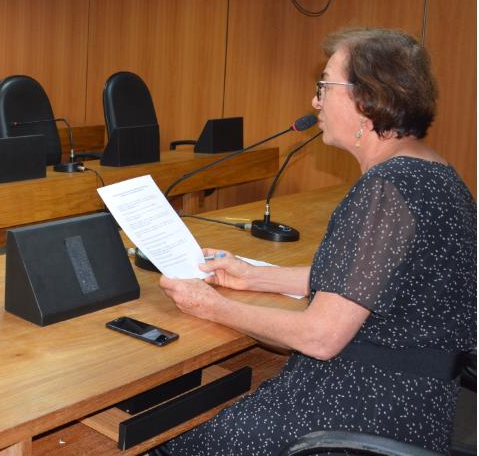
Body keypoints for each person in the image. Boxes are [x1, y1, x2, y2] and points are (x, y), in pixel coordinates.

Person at [156, 28, 476, 455]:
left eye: (325, 86)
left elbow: (321, 337)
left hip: (356, 410)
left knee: (165, 441)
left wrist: (212, 306)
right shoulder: (437, 174)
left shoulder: (386, 190)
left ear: (367, 99)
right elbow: (374, 281)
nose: (315, 101)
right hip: (417, 411)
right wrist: (252, 277)